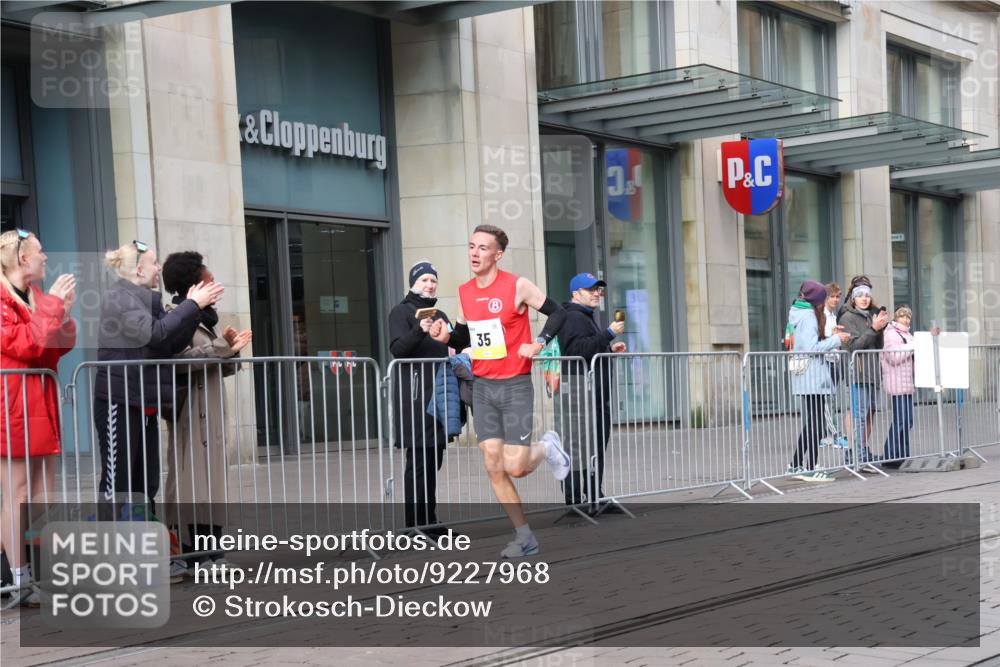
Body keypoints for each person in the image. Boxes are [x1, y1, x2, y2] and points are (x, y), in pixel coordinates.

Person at [429, 224, 569, 558]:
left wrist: (539, 343)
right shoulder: (464, 292)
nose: (475, 254)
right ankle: (524, 536)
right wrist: (446, 337)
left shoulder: (516, 285)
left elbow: (558, 312)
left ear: (498, 254)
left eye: (483, 248)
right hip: (483, 386)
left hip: (515, 385)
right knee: (494, 467)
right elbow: (466, 337)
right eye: (471, 247)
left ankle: (548, 447)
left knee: (517, 467)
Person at [94, 241, 224, 514]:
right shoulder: (121, 298)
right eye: (154, 263)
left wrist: (197, 308)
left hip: (142, 399)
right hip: (121, 402)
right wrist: (191, 305)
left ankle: (143, 545)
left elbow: (171, 343)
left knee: (147, 481)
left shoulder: (144, 299)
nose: (159, 269)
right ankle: (111, 547)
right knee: (118, 482)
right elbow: (156, 334)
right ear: (139, 270)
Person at [160, 251, 251, 569]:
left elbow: (211, 364)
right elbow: (177, 360)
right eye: (210, 279)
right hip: (190, 411)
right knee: (191, 482)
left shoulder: (204, 319)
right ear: (195, 284)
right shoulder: (177, 316)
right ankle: (192, 552)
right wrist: (221, 348)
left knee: (210, 483)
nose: (217, 286)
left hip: (209, 409)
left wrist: (230, 351)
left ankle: (210, 550)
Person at [0, 229, 76, 605]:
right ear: (23, 259)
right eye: (40, 252)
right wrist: (52, 309)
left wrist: (63, 312)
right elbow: (25, 346)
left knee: (44, 494)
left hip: (39, 403)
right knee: (18, 493)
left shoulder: (38, 297)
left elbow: (50, 353)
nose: (46, 258)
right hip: (11, 406)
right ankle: (17, 576)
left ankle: (29, 570)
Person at [388, 261, 459, 534]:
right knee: (418, 462)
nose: (429, 285)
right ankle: (415, 525)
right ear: (413, 283)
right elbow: (398, 350)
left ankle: (429, 520)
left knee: (433, 460)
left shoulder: (439, 312)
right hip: (415, 397)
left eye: (433, 281)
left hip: (439, 395)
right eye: (424, 280)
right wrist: (420, 329)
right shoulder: (401, 312)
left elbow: (453, 343)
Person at [555, 272, 626, 512]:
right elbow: (577, 349)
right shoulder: (573, 317)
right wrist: (608, 334)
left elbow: (588, 347)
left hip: (590, 393)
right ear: (576, 294)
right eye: (591, 289)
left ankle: (593, 495)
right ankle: (578, 501)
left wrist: (608, 347)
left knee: (592, 447)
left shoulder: (583, 316)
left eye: (599, 289)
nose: (597, 293)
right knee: (580, 447)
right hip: (581, 394)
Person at [785, 280, 849, 482]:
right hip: (812, 374)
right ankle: (806, 466)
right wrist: (837, 340)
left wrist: (831, 337)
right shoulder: (809, 316)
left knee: (815, 421)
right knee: (816, 422)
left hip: (806, 374)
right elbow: (813, 347)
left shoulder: (798, 312)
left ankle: (801, 464)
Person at [838, 278, 889, 467]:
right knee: (858, 414)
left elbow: (879, 345)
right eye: (860, 296)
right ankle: (856, 454)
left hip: (873, 372)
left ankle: (863, 451)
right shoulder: (847, 318)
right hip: (858, 373)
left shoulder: (870, 315)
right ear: (853, 298)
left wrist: (880, 329)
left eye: (867, 295)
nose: (864, 299)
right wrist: (873, 329)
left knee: (869, 413)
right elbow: (854, 345)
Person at [880, 306, 915, 469]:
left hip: (906, 381)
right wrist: (911, 347)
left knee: (907, 421)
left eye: (908, 317)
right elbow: (893, 357)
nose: (906, 319)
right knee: (900, 420)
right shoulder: (891, 334)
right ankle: (891, 455)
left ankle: (903, 454)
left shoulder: (908, 335)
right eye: (902, 316)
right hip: (896, 382)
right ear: (896, 318)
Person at [820, 282, 849, 449]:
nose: (836, 300)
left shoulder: (832, 315)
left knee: (830, 399)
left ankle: (827, 435)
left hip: (833, 359)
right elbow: (820, 338)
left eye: (838, 296)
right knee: (827, 400)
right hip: (825, 360)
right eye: (832, 296)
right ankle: (835, 435)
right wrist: (833, 335)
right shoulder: (822, 315)